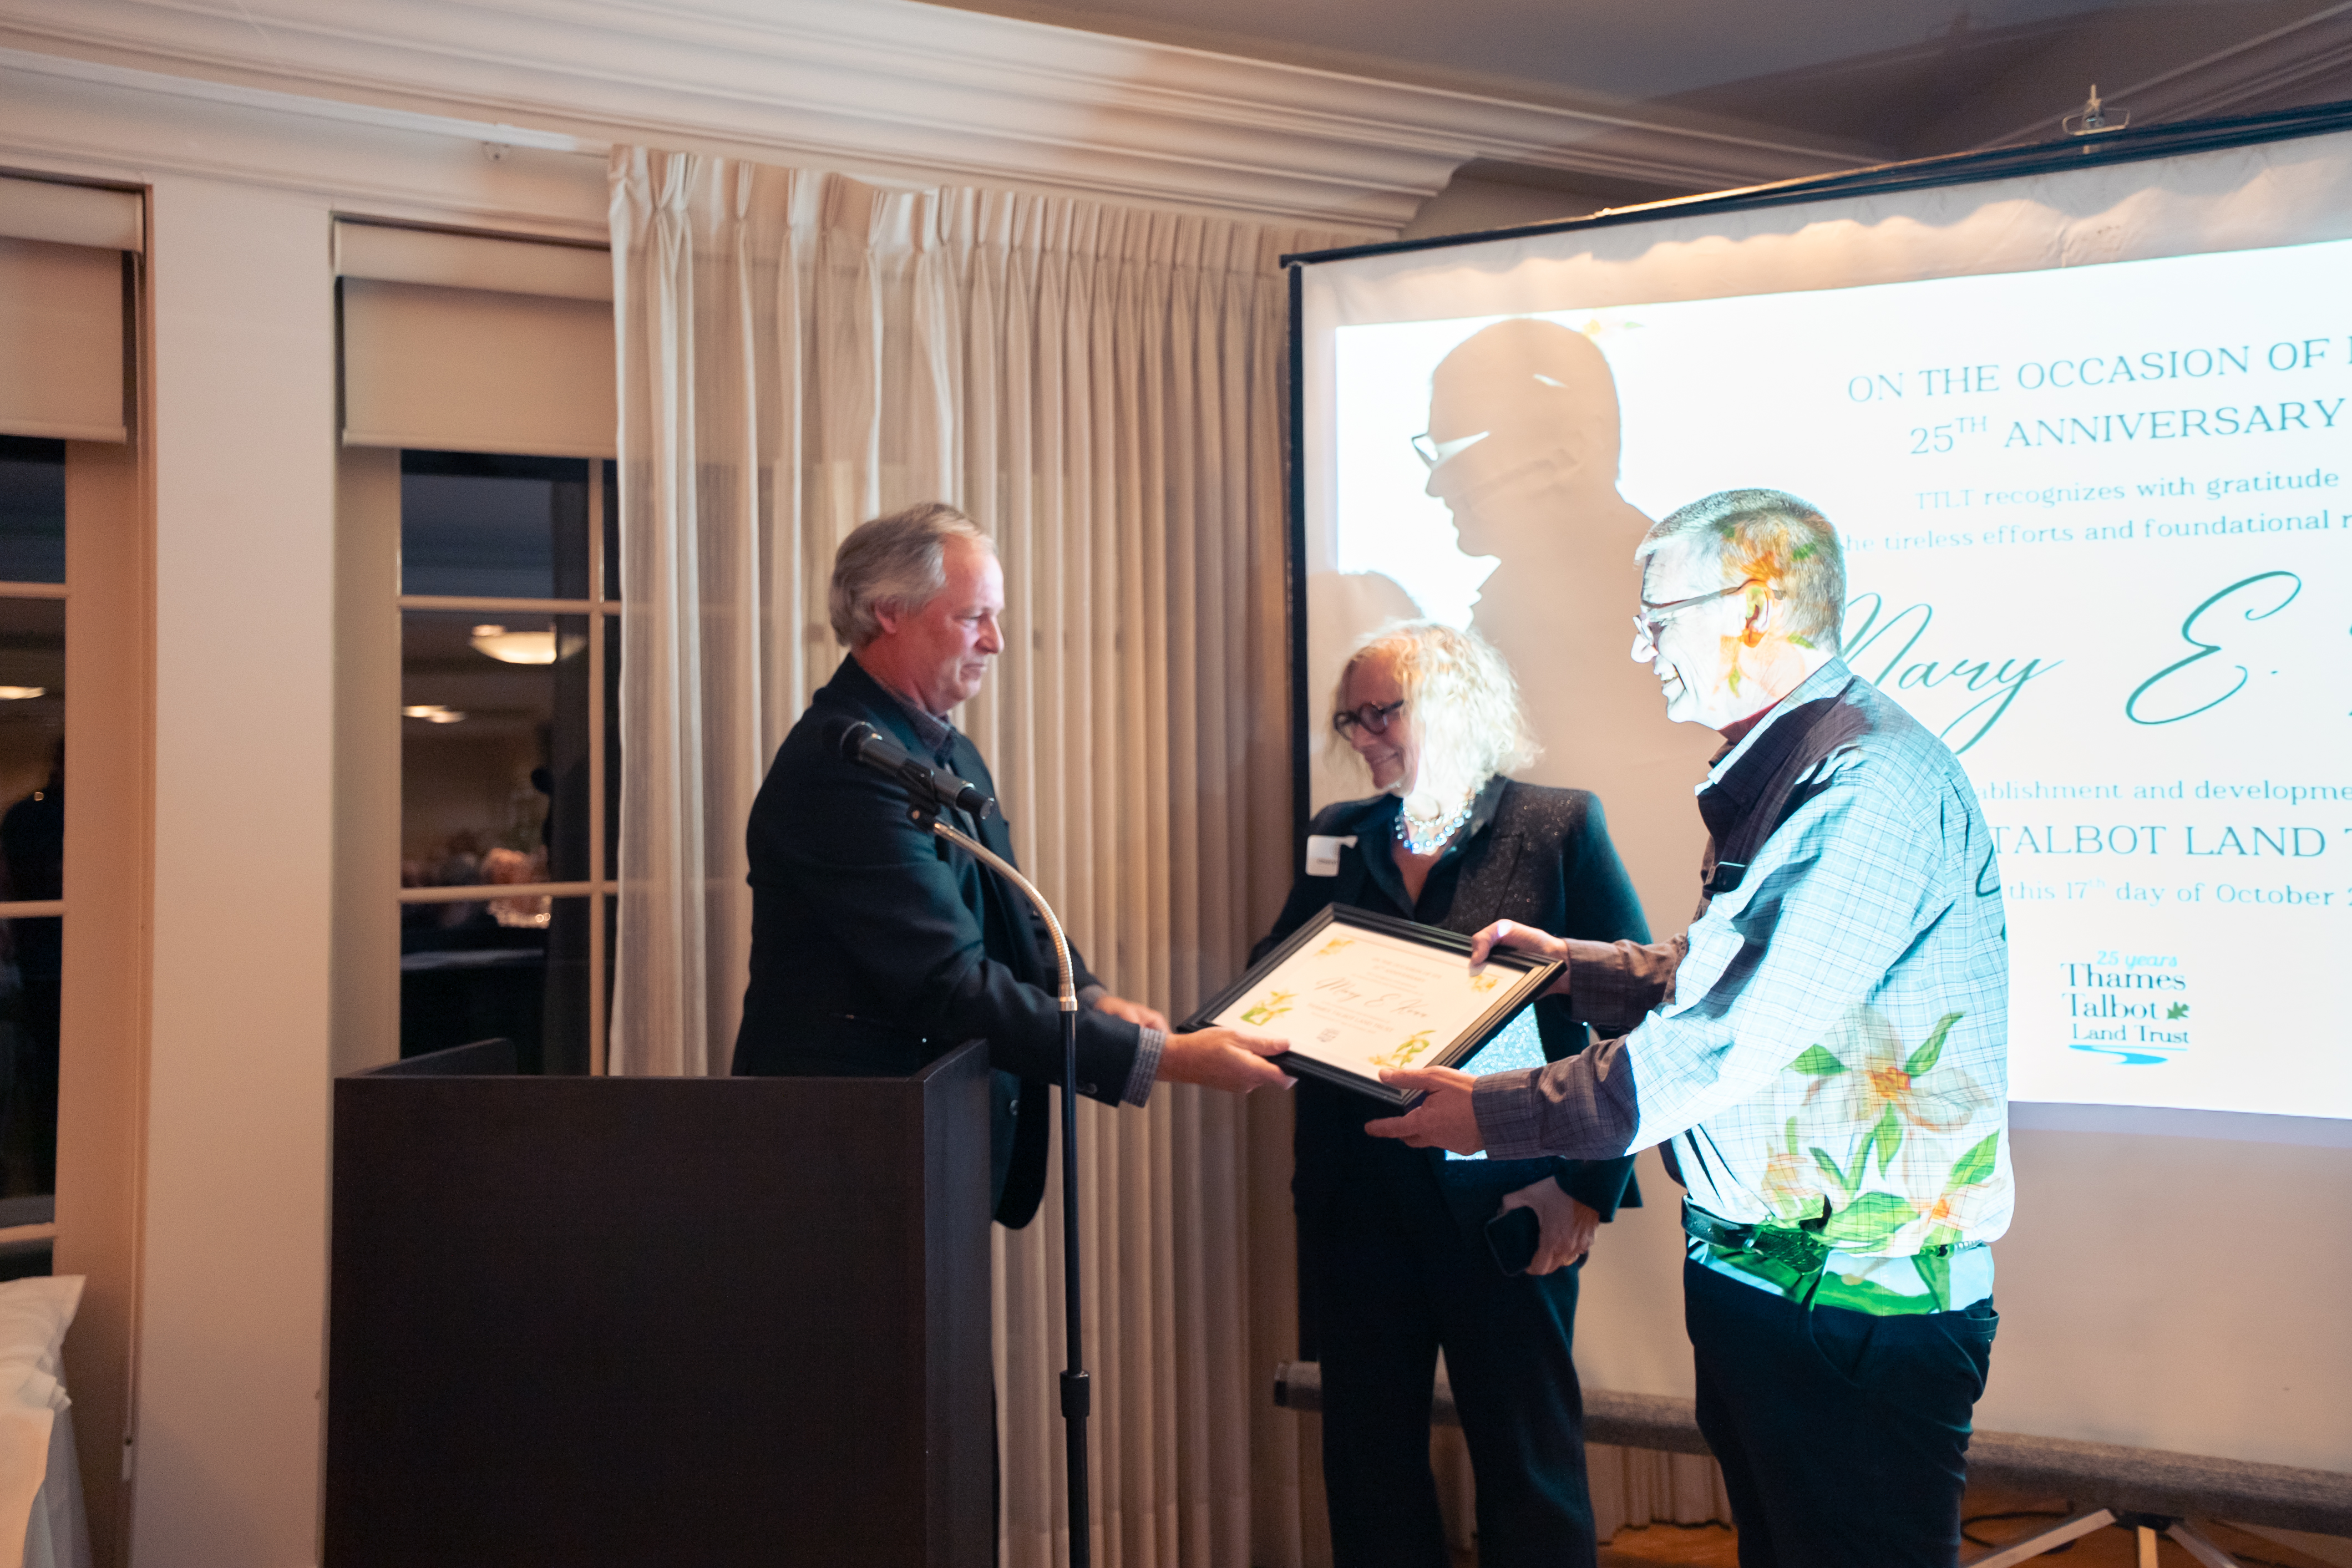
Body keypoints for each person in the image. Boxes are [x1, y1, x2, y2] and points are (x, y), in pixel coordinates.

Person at [1368, 490, 2013, 1568]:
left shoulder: (1864, 789)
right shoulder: (1800, 768)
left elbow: (1722, 1039)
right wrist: (1570, 970)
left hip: (1845, 1309)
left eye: (1657, 616)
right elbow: (1732, 974)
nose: (1639, 645)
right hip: (1777, 1290)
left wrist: (1488, 1114)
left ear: (1754, 610)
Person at [733, 501, 1289, 1228]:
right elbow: (947, 982)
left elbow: (1010, 903)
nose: (995, 641)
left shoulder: (942, 745)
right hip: (845, 1151)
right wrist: (1168, 1056)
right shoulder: (846, 764)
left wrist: (1084, 991)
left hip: (927, 1132)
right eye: (973, 617)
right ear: (888, 611)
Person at [1259, 621, 1649, 1568]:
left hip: (1508, 1199)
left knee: (1527, 1461)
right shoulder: (1339, 836)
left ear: (1457, 702)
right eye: (1352, 720)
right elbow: (1276, 982)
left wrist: (1587, 1189)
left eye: (1384, 711)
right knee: (1367, 1462)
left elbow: (1637, 1019)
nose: (1366, 737)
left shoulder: (1556, 825)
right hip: (1358, 1200)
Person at [1424, 318, 1719, 925]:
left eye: (1456, 451)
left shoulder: (1674, 603)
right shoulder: (1512, 599)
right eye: (1430, 454)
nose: (1434, 483)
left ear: (1570, 449)